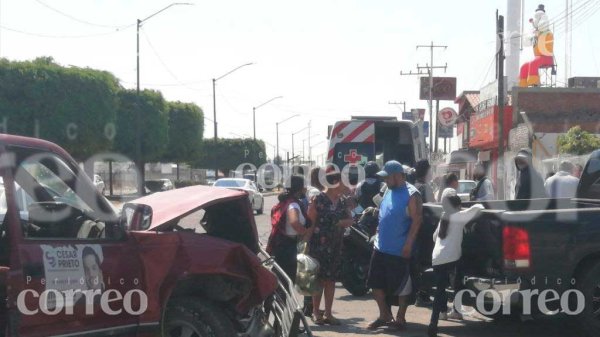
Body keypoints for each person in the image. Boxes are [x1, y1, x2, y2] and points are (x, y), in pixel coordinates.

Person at [366, 160, 422, 331]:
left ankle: (400, 318)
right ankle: (384, 315)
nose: (385, 181)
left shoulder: (412, 194)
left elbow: (417, 221)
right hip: (380, 246)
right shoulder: (388, 191)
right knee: (374, 284)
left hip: (399, 249)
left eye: (387, 178)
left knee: (402, 286)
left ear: (398, 176)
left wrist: (408, 244)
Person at [428, 190, 484, 337]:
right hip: (451, 258)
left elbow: (435, 238)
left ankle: (439, 317)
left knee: (440, 289)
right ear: (457, 206)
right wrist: (465, 208)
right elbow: (478, 207)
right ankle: (440, 319)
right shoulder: (459, 216)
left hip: (436, 258)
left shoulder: (443, 217)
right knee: (453, 281)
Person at [307, 165, 353, 325]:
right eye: (343, 182)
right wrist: (306, 244)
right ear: (335, 182)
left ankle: (328, 313)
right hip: (318, 246)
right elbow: (310, 223)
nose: (346, 185)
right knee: (318, 279)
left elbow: (350, 220)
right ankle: (316, 313)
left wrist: (340, 222)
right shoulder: (318, 199)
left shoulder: (341, 201)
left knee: (331, 279)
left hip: (335, 246)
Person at [268, 175, 309, 282]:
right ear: (300, 188)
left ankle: (277, 298)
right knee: (286, 281)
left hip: (281, 245)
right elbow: (294, 222)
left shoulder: (285, 202)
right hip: (288, 248)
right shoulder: (293, 205)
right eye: (305, 186)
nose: (306, 189)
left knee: (281, 280)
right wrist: (305, 232)